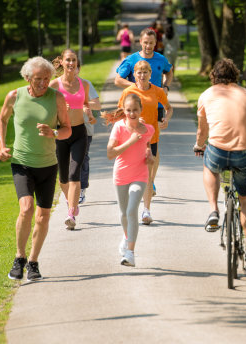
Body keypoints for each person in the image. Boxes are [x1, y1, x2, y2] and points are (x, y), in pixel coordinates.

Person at [0, 56, 71, 281]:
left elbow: (67, 129)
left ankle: (33, 261)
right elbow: (2, 120)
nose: (42, 83)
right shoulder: (15, 96)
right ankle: (19, 258)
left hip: (48, 164)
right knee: (26, 208)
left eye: (47, 79)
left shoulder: (57, 98)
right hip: (22, 162)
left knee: (43, 216)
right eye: (38, 78)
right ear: (28, 77)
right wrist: (1, 146)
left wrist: (54, 133)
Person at [194, 58, 246, 271]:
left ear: (213, 77)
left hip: (218, 152)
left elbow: (202, 132)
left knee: (209, 166)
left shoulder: (206, 95)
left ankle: (213, 211)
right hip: (244, 153)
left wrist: (199, 146)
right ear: (236, 75)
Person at [118, 60, 173, 224]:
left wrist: (166, 119)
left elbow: (169, 108)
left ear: (151, 74)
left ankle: (146, 211)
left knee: (148, 177)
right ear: (134, 74)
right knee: (131, 175)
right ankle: (129, 208)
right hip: (132, 138)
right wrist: (133, 119)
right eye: (139, 72)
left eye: (145, 72)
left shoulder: (157, 91)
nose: (142, 76)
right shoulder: (128, 91)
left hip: (151, 138)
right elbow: (120, 113)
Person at [103, 94, 155, 266]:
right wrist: (130, 142)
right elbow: (110, 153)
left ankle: (130, 253)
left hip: (140, 175)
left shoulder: (148, 130)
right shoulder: (118, 127)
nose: (132, 113)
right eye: (128, 110)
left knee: (132, 210)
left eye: (135, 110)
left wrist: (149, 156)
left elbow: (147, 148)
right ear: (124, 111)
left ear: (141, 110)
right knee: (124, 213)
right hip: (121, 175)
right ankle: (126, 237)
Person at [50, 49, 96, 230]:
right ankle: (73, 203)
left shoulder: (83, 84)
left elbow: (86, 104)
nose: (71, 63)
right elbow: (46, 111)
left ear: (77, 63)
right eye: (68, 60)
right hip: (61, 133)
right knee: (62, 179)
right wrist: (60, 108)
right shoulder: (54, 85)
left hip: (79, 133)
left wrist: (89, 115)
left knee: (74, 174)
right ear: (61, 62)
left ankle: (70, 214)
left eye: (74, 60)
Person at [114, 28, 173, 134]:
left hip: (156, 105)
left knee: (153, 141)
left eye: (151, 43)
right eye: (145, 42)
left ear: (156, 43)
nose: (148, 46)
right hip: (135, 107)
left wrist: (166, 86)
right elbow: (118, 80)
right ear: (140, 41)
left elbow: (169, 72)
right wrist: (137, 87)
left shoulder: (161, 59)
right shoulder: (131, 60)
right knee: (136, 139)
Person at [78, 67, 102, 204]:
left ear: (78, 69)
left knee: (82, 158)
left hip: (84, 127)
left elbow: (97, 105)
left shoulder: (85, 84)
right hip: (65, 128)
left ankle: (81, 189)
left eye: (75, 66)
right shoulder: (58, 85)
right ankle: (70, 188)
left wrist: (78, 103)